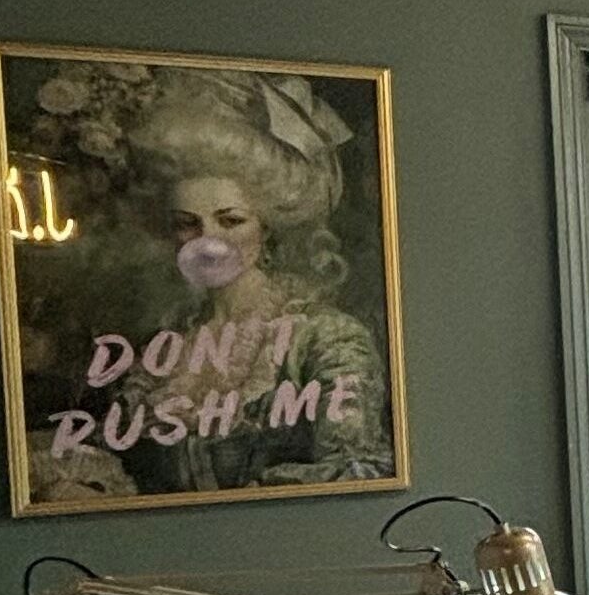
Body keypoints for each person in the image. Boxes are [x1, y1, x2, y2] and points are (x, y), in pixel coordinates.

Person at [97, 71, 393, 496]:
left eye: (231, 220)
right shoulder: (164, 347)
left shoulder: (325, 338)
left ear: (267, 226)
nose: (207, 240)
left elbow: (356, 466)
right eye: (187, 224)